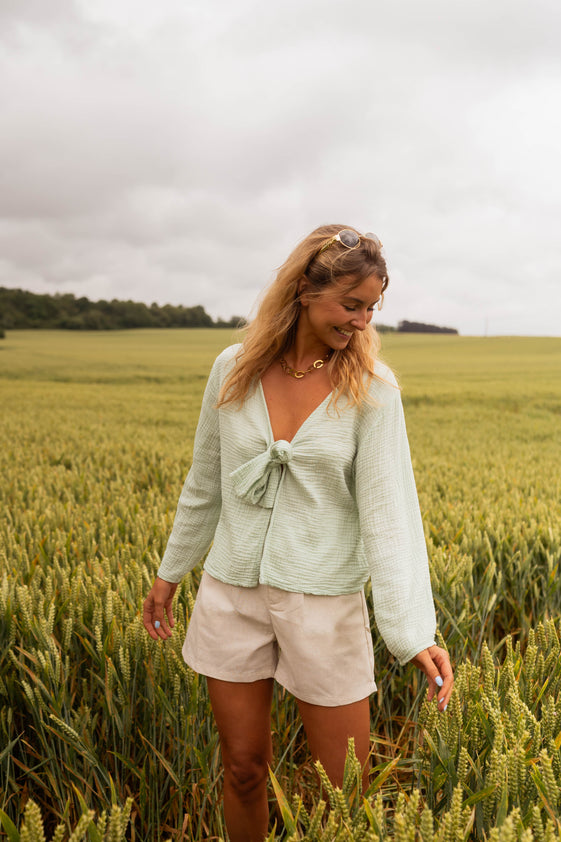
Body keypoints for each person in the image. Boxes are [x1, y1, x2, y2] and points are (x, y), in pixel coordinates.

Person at [143, 224, 454, 842]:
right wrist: (169, 574)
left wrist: (412, 632)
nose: (363, 321)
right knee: (242, 770)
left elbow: (390, 519)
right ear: (305, 291)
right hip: (230, 595)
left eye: (372, 307)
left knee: (348, 794)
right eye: (351, 304)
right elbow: (205, 484)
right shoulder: (232, 370)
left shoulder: (373, 392)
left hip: (323, 604)